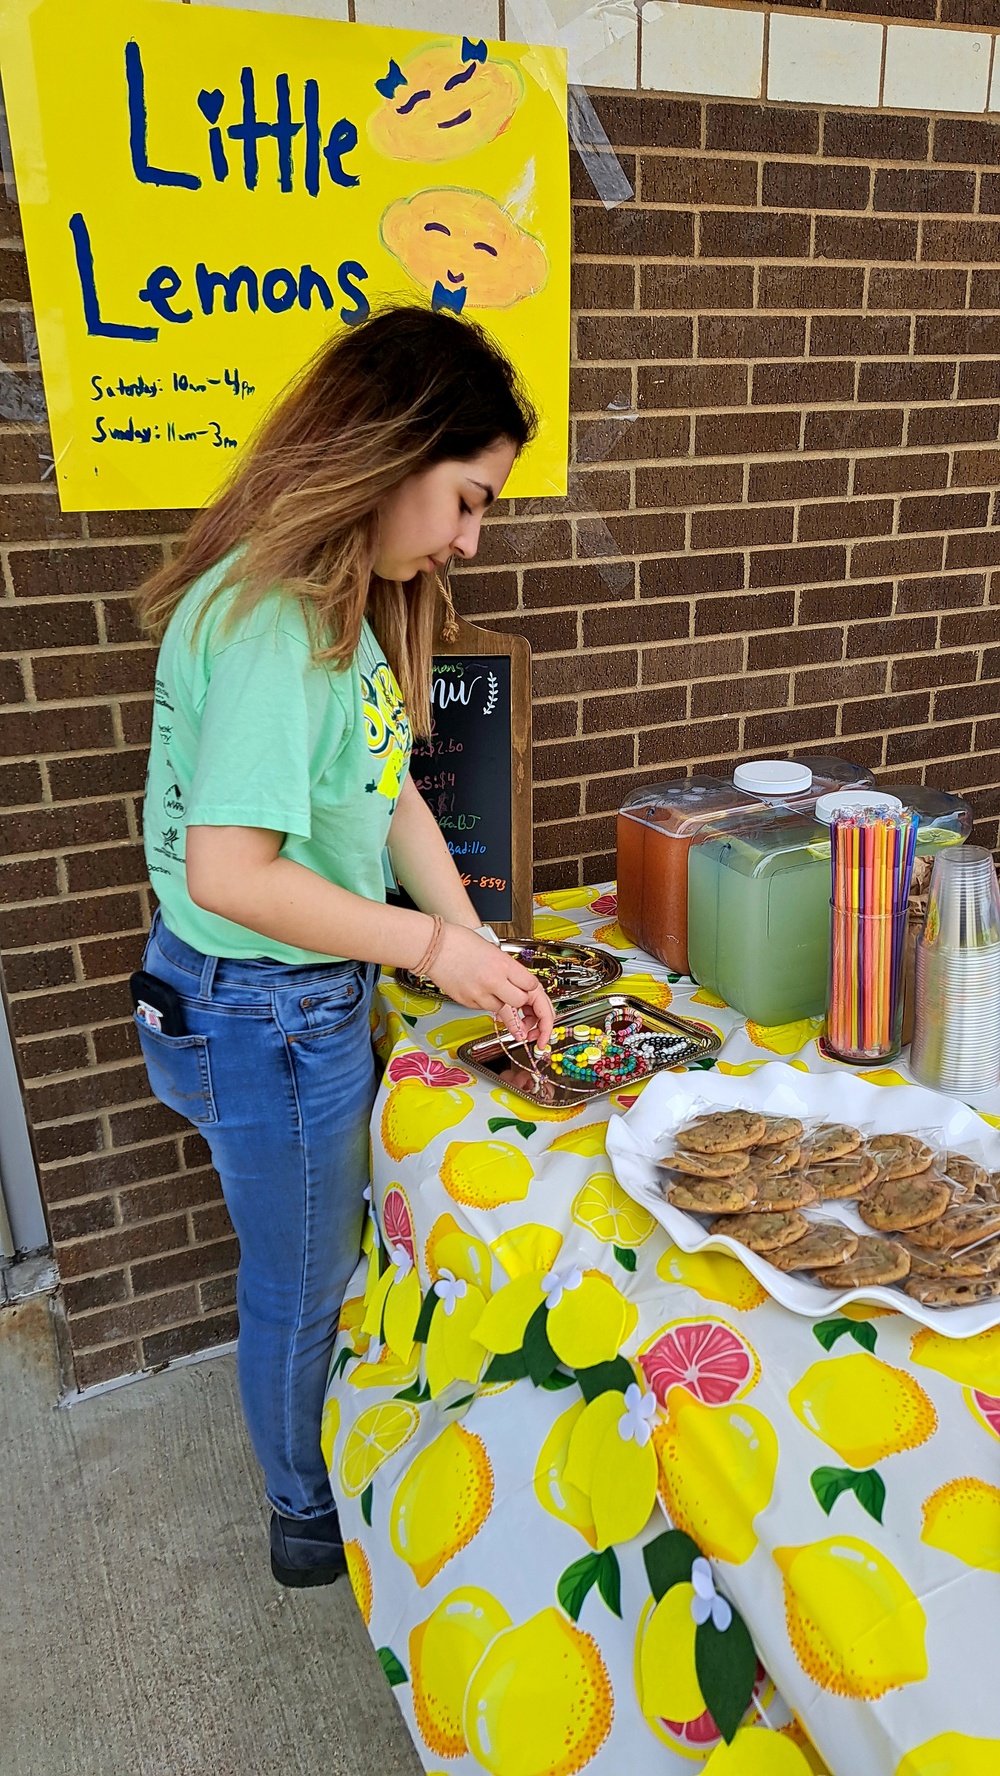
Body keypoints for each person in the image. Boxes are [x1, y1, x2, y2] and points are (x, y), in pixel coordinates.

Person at [132, 305, 554, 1588]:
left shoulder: (337, 596)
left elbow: (391, 792)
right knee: (302, 1288)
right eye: (468, 499)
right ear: (390, 452)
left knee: (313, 1262)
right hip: (259, 1012)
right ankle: (304, 1514)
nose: (469, 541)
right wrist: (431, 946)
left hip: (274, 1003)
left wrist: (473, 943)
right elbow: (231, 872)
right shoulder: (276, 623)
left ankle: (306, 1476)